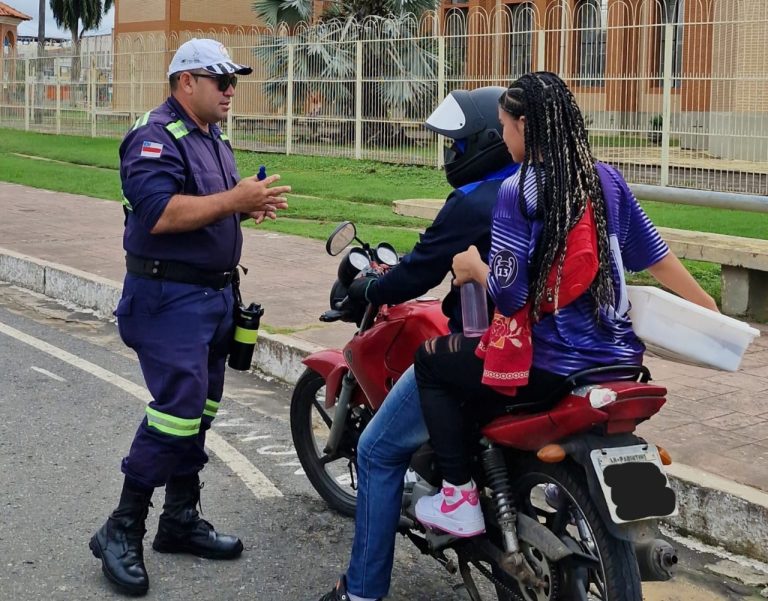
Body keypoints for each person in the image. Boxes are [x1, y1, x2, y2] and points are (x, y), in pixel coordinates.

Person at [412, 71, 718, 537]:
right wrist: (704, 302)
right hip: (618, 361)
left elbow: (511, 294)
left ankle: (457, 495)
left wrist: (475, 269)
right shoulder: (607, 180)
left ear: (523, 127)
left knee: (432, 361)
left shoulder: (520, 190)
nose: (504, 138)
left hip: (549, 363)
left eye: (505, 126)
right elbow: (653, 254)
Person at [89, 38, 291, 596]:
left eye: (234, 80)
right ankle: (121, 526)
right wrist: (234, 202)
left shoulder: (212, 134)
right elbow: (158, 213)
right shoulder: (155, 136)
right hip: (167, 301)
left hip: (214, 300)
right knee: (178, 407)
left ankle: (179, 517)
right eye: (219, 80)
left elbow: (214, 205)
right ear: (185, 83)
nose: (230, 90)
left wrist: (246, 203)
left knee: (199, 409)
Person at [310, 86, 519, 601]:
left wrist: (370, 286)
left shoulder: (474, 203)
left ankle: (360, 591)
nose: (450, 154)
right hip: (560, 351)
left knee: (378, 449)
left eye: (458, 145)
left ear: (489, 141)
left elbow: (417, 272)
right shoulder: (539, 185)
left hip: (492, 348)